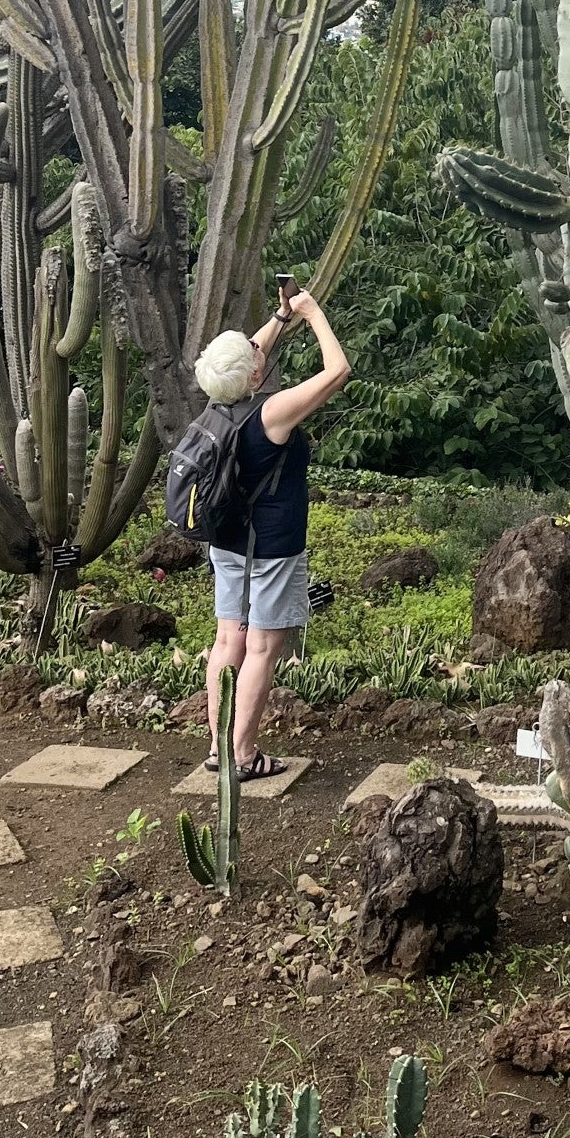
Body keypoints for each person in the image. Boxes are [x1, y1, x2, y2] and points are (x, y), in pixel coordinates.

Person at [194, 290, 350, 778]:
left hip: (228, 541)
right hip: (273, 548)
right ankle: (242, 755)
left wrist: (281, 315)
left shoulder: (217, 401)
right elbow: (337, 372)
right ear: (255, 377)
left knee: (226, 643)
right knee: (262, 648)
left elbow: (244, 359)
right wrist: (313, 315)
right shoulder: (271, 414)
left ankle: (218, 748)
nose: (257, 349)